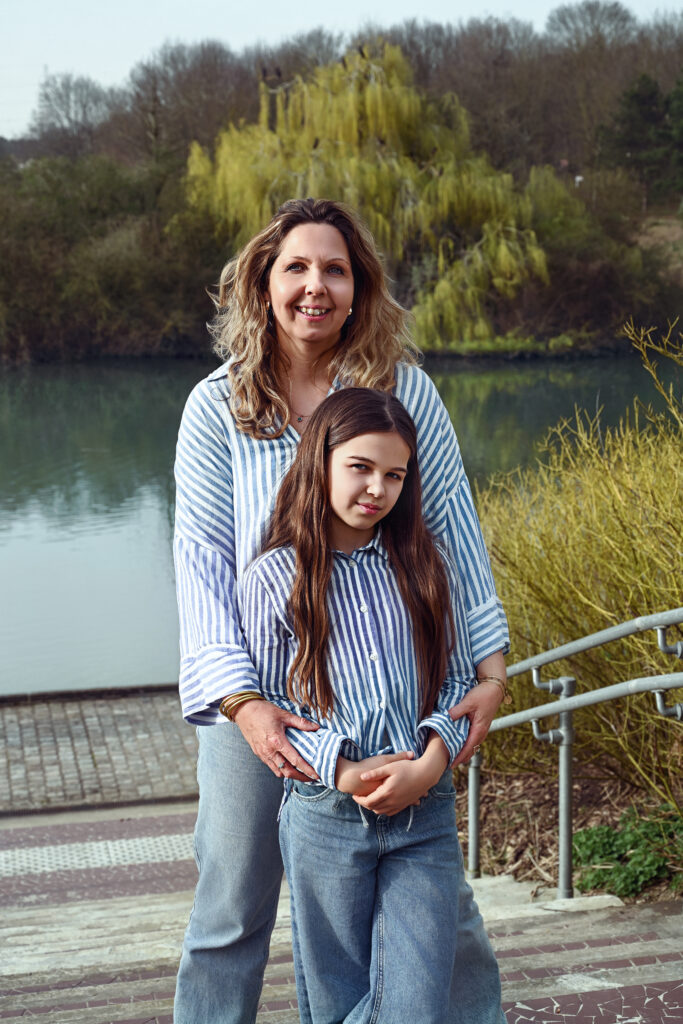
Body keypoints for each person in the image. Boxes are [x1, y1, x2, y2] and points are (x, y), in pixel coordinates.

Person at [173, 197, 510, 1024]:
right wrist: (246, 707)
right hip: (257, 707)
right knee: (232, 907)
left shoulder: (405, 395)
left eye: (335, 269)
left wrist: (491, 668)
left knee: (444, 915)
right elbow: (203, 568)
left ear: (360, 289)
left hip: (384, 695)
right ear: (263, 283)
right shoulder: (216, 407)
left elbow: (454, 539)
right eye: (295, 267)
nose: (315, 286)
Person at [242, 387, 506, 1023]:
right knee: (333, 996)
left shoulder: (424, 565)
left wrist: (431, 762)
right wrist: (339, 770)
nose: (377, 489)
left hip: (424, 811)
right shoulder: (275, 577)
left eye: (394, 474)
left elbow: (452, 681)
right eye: (360, 467)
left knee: (413, 1000)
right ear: (321, 463)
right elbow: (276, 701)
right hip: (325, 812)